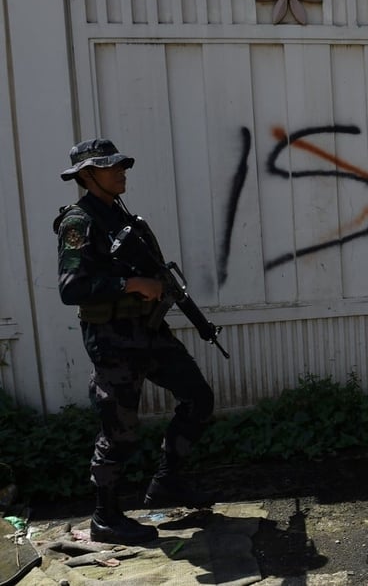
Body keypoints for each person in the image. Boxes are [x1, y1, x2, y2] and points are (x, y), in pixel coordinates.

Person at [54, 138, 217, 544]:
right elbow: (71, 287)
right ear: (88, 176)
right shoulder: (79, 222)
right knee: (120, 431)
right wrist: (130, 283)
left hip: (147, 333)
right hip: (112, 341)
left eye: (121, 165)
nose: (121, 171)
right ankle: (105, 518)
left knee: (198, 398)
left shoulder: (121, 216)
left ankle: (167, 482)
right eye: (111, 167)